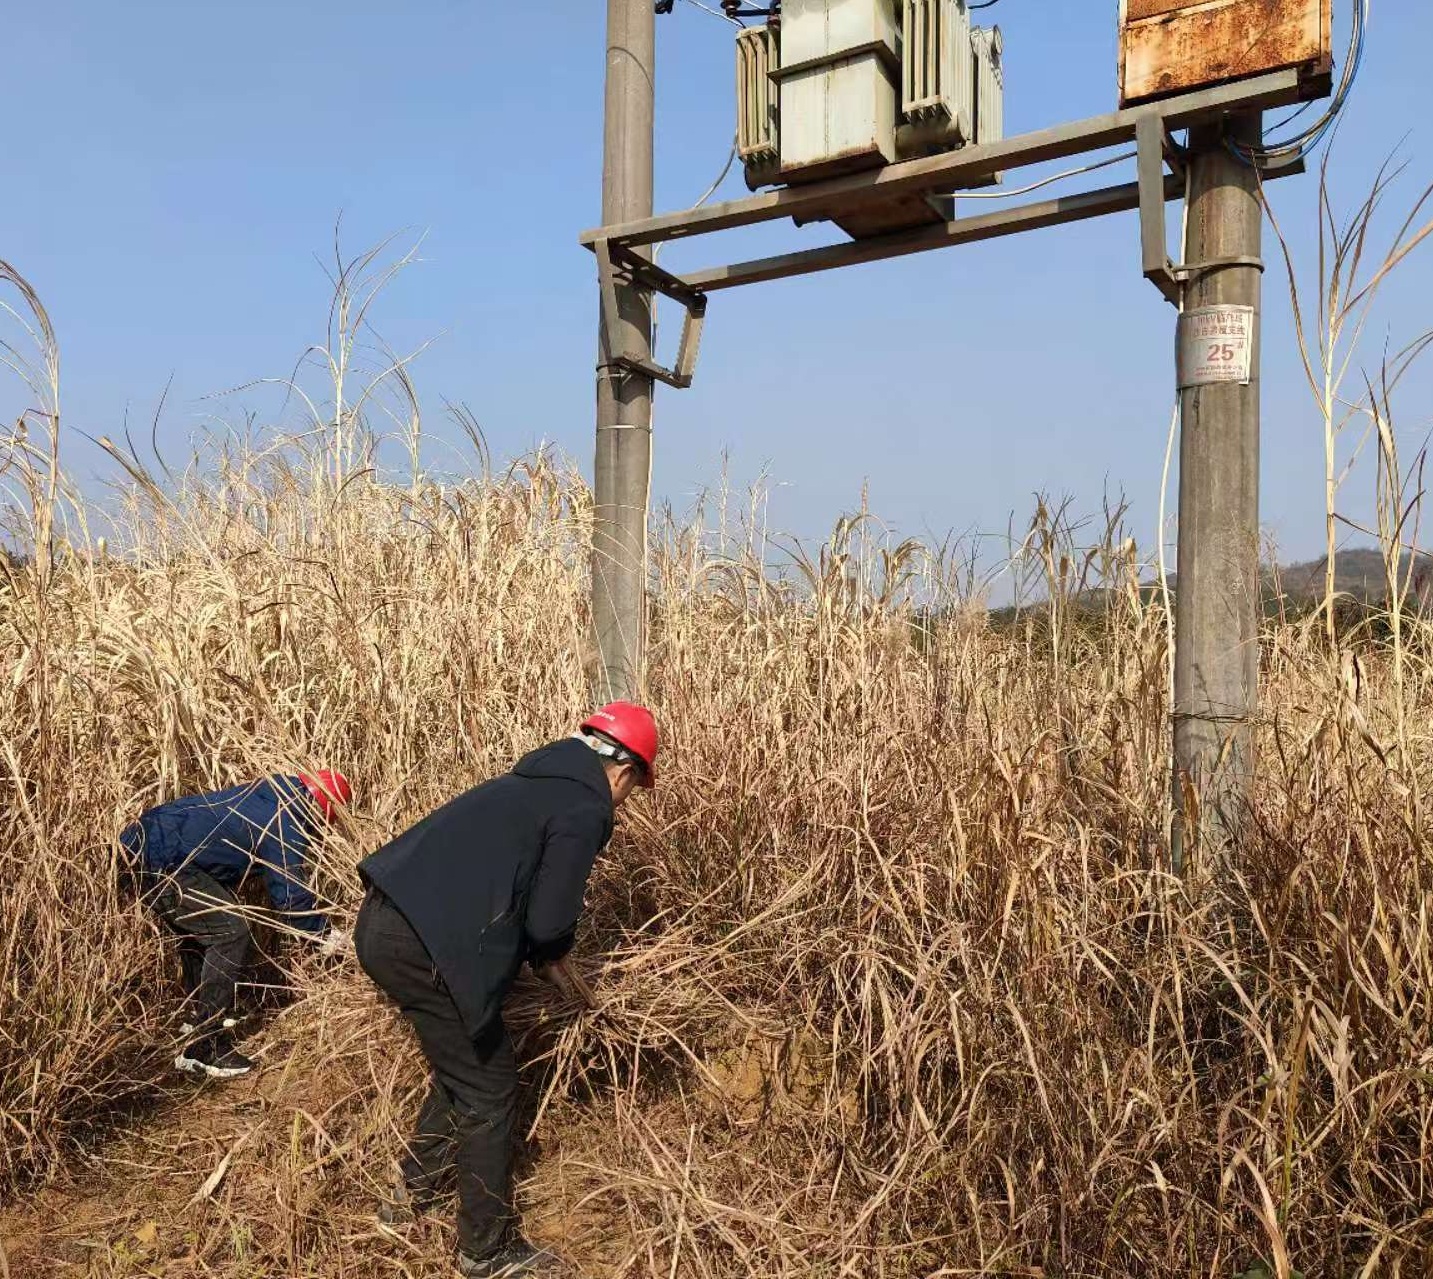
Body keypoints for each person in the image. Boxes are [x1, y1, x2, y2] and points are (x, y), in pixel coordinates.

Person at [355, 702, 658, 1279]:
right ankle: (485, 1252)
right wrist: (554, 963)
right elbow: (548, 921)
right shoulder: (585, 805)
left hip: (382, 925)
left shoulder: (531, 779)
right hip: (426, 949)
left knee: (463, 1070)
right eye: (635, 788)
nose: (627, 799)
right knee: (490, 1088)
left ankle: (409, 1198)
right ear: (625, 772)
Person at [121, 769, 353, 1079]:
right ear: (323, 807)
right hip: (160, 858)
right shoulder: (288, 816)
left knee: (203, 930)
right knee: (230, 931)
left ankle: (196, 1018)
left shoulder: (271, 794)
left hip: (139, 845)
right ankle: (205, 1048)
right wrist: (325, 936)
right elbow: (291, 898)